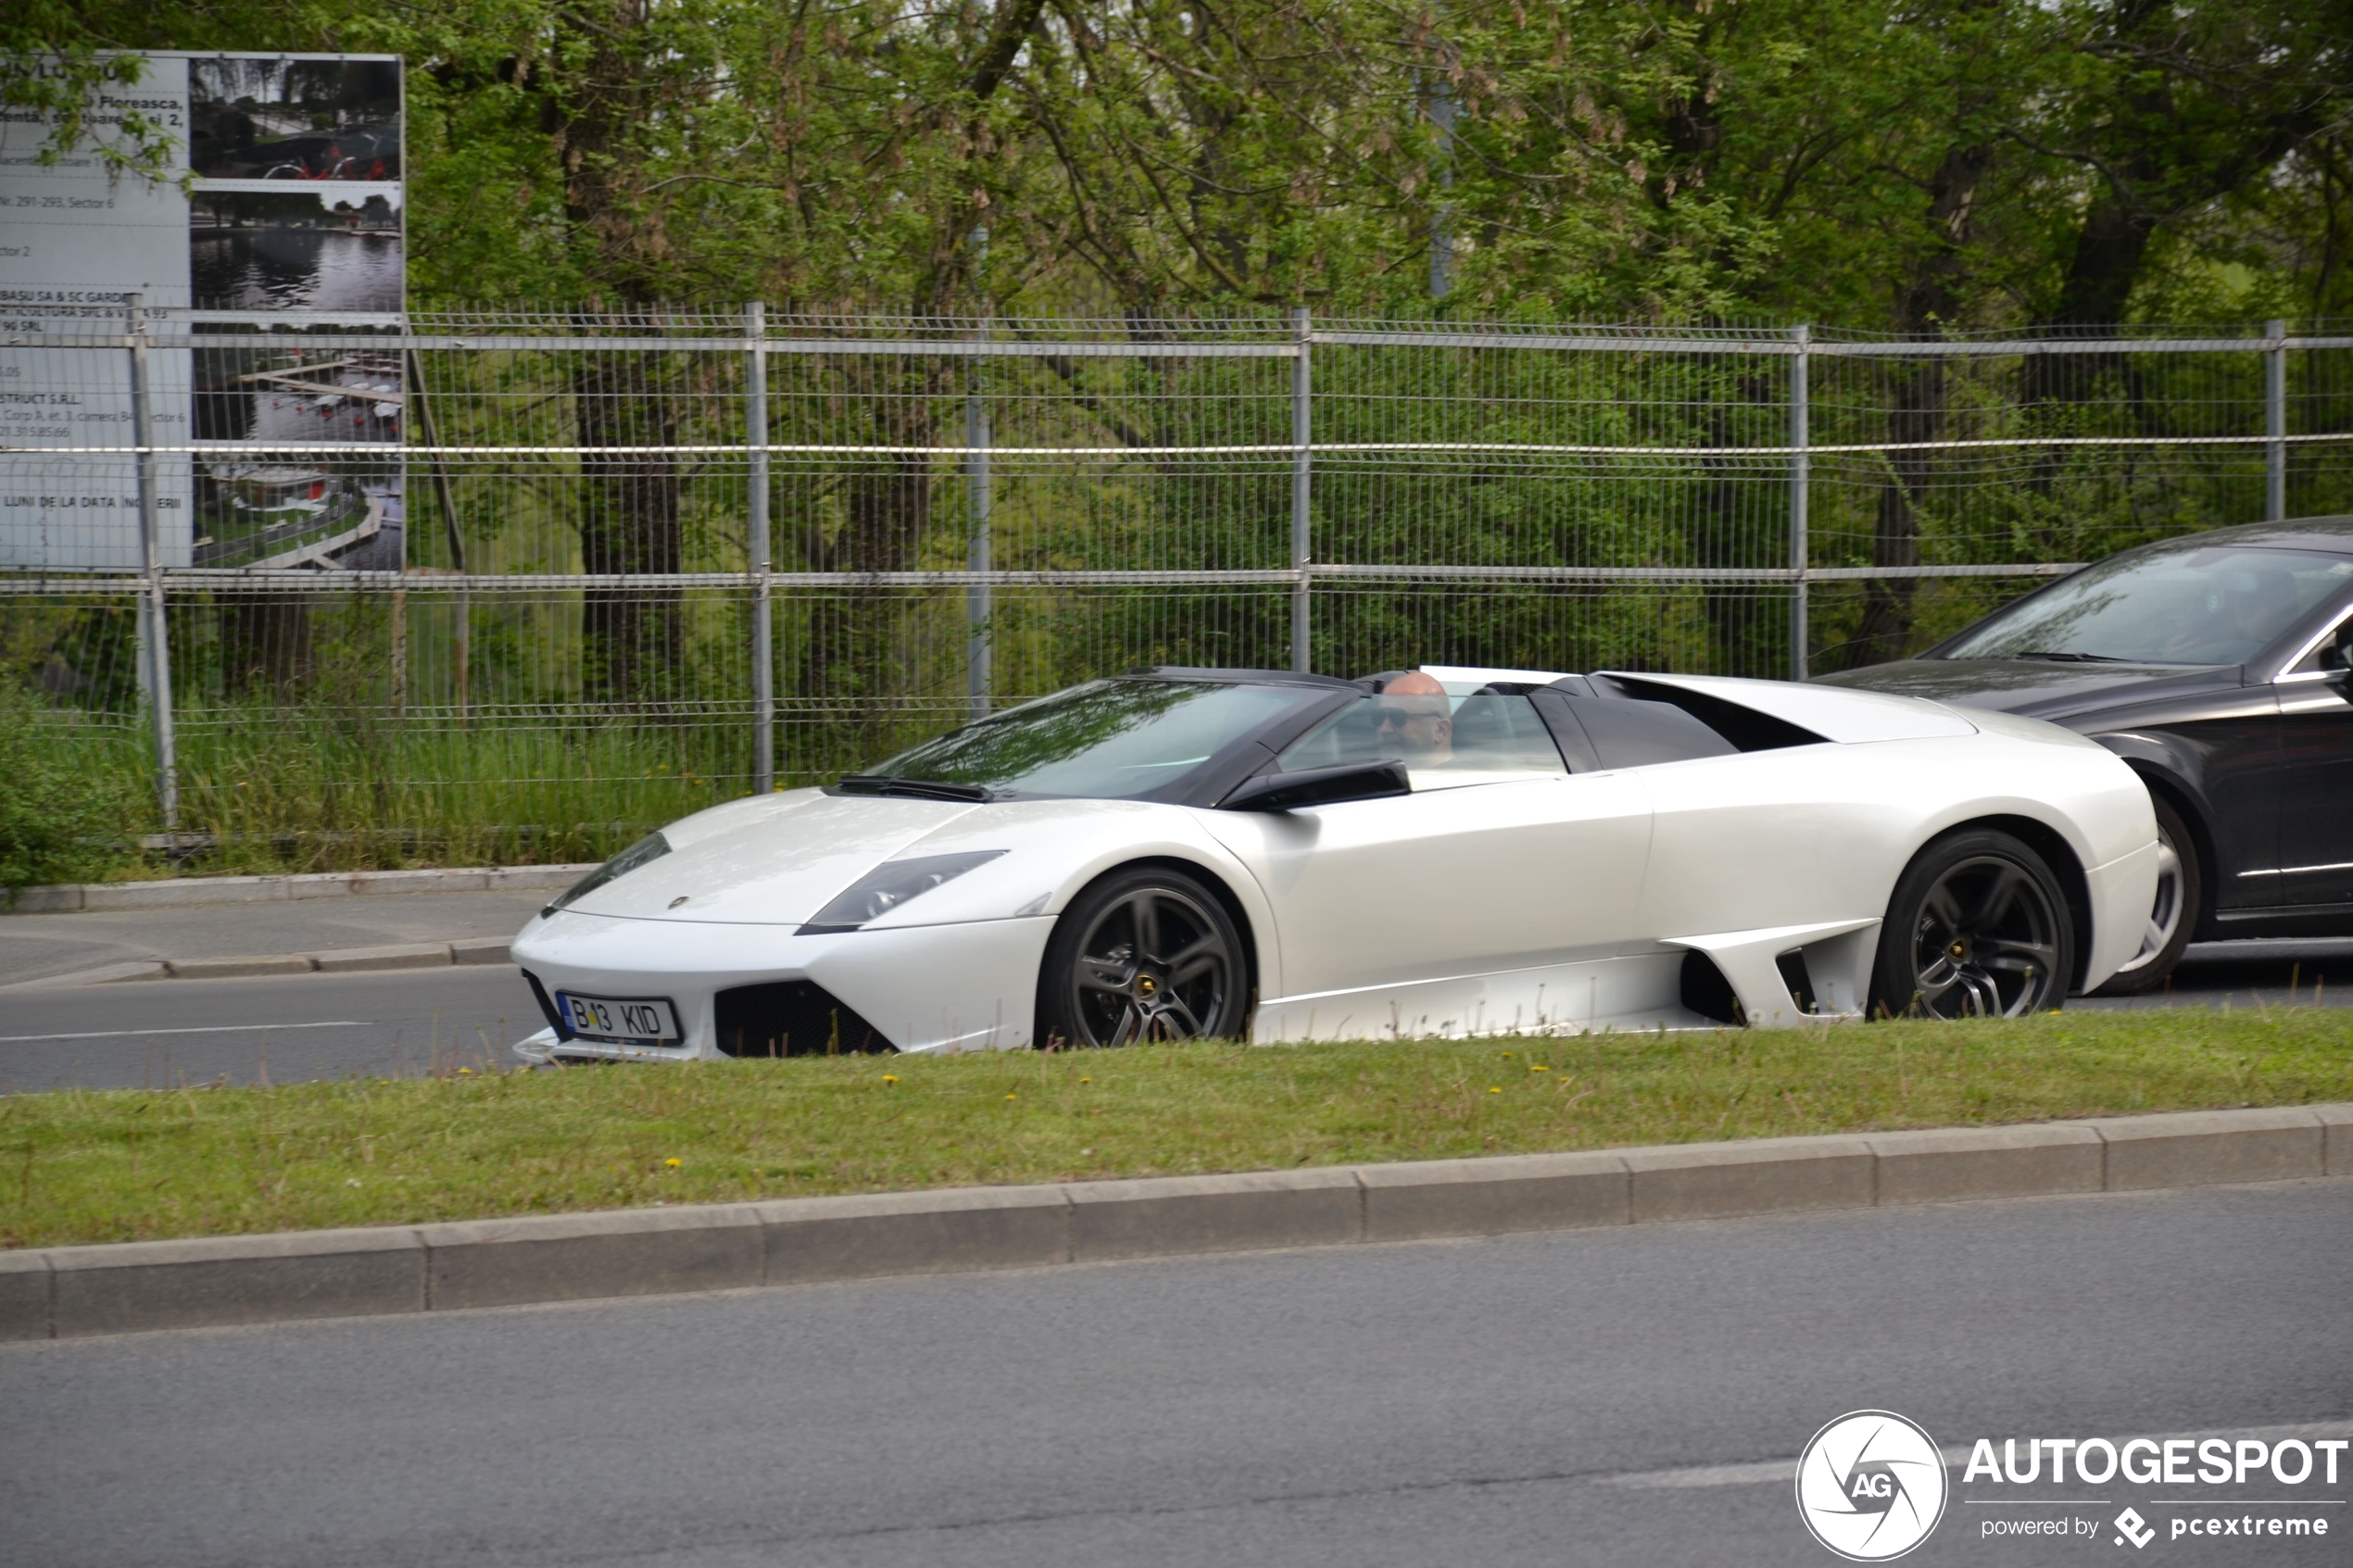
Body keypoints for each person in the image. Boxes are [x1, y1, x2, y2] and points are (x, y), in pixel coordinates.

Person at [1375, 671, 1454, 766]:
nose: (1384, 729)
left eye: (1397, 717)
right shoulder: (1379, 778)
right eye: (1379, 717)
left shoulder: (1467, 779)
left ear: (1441, 730)